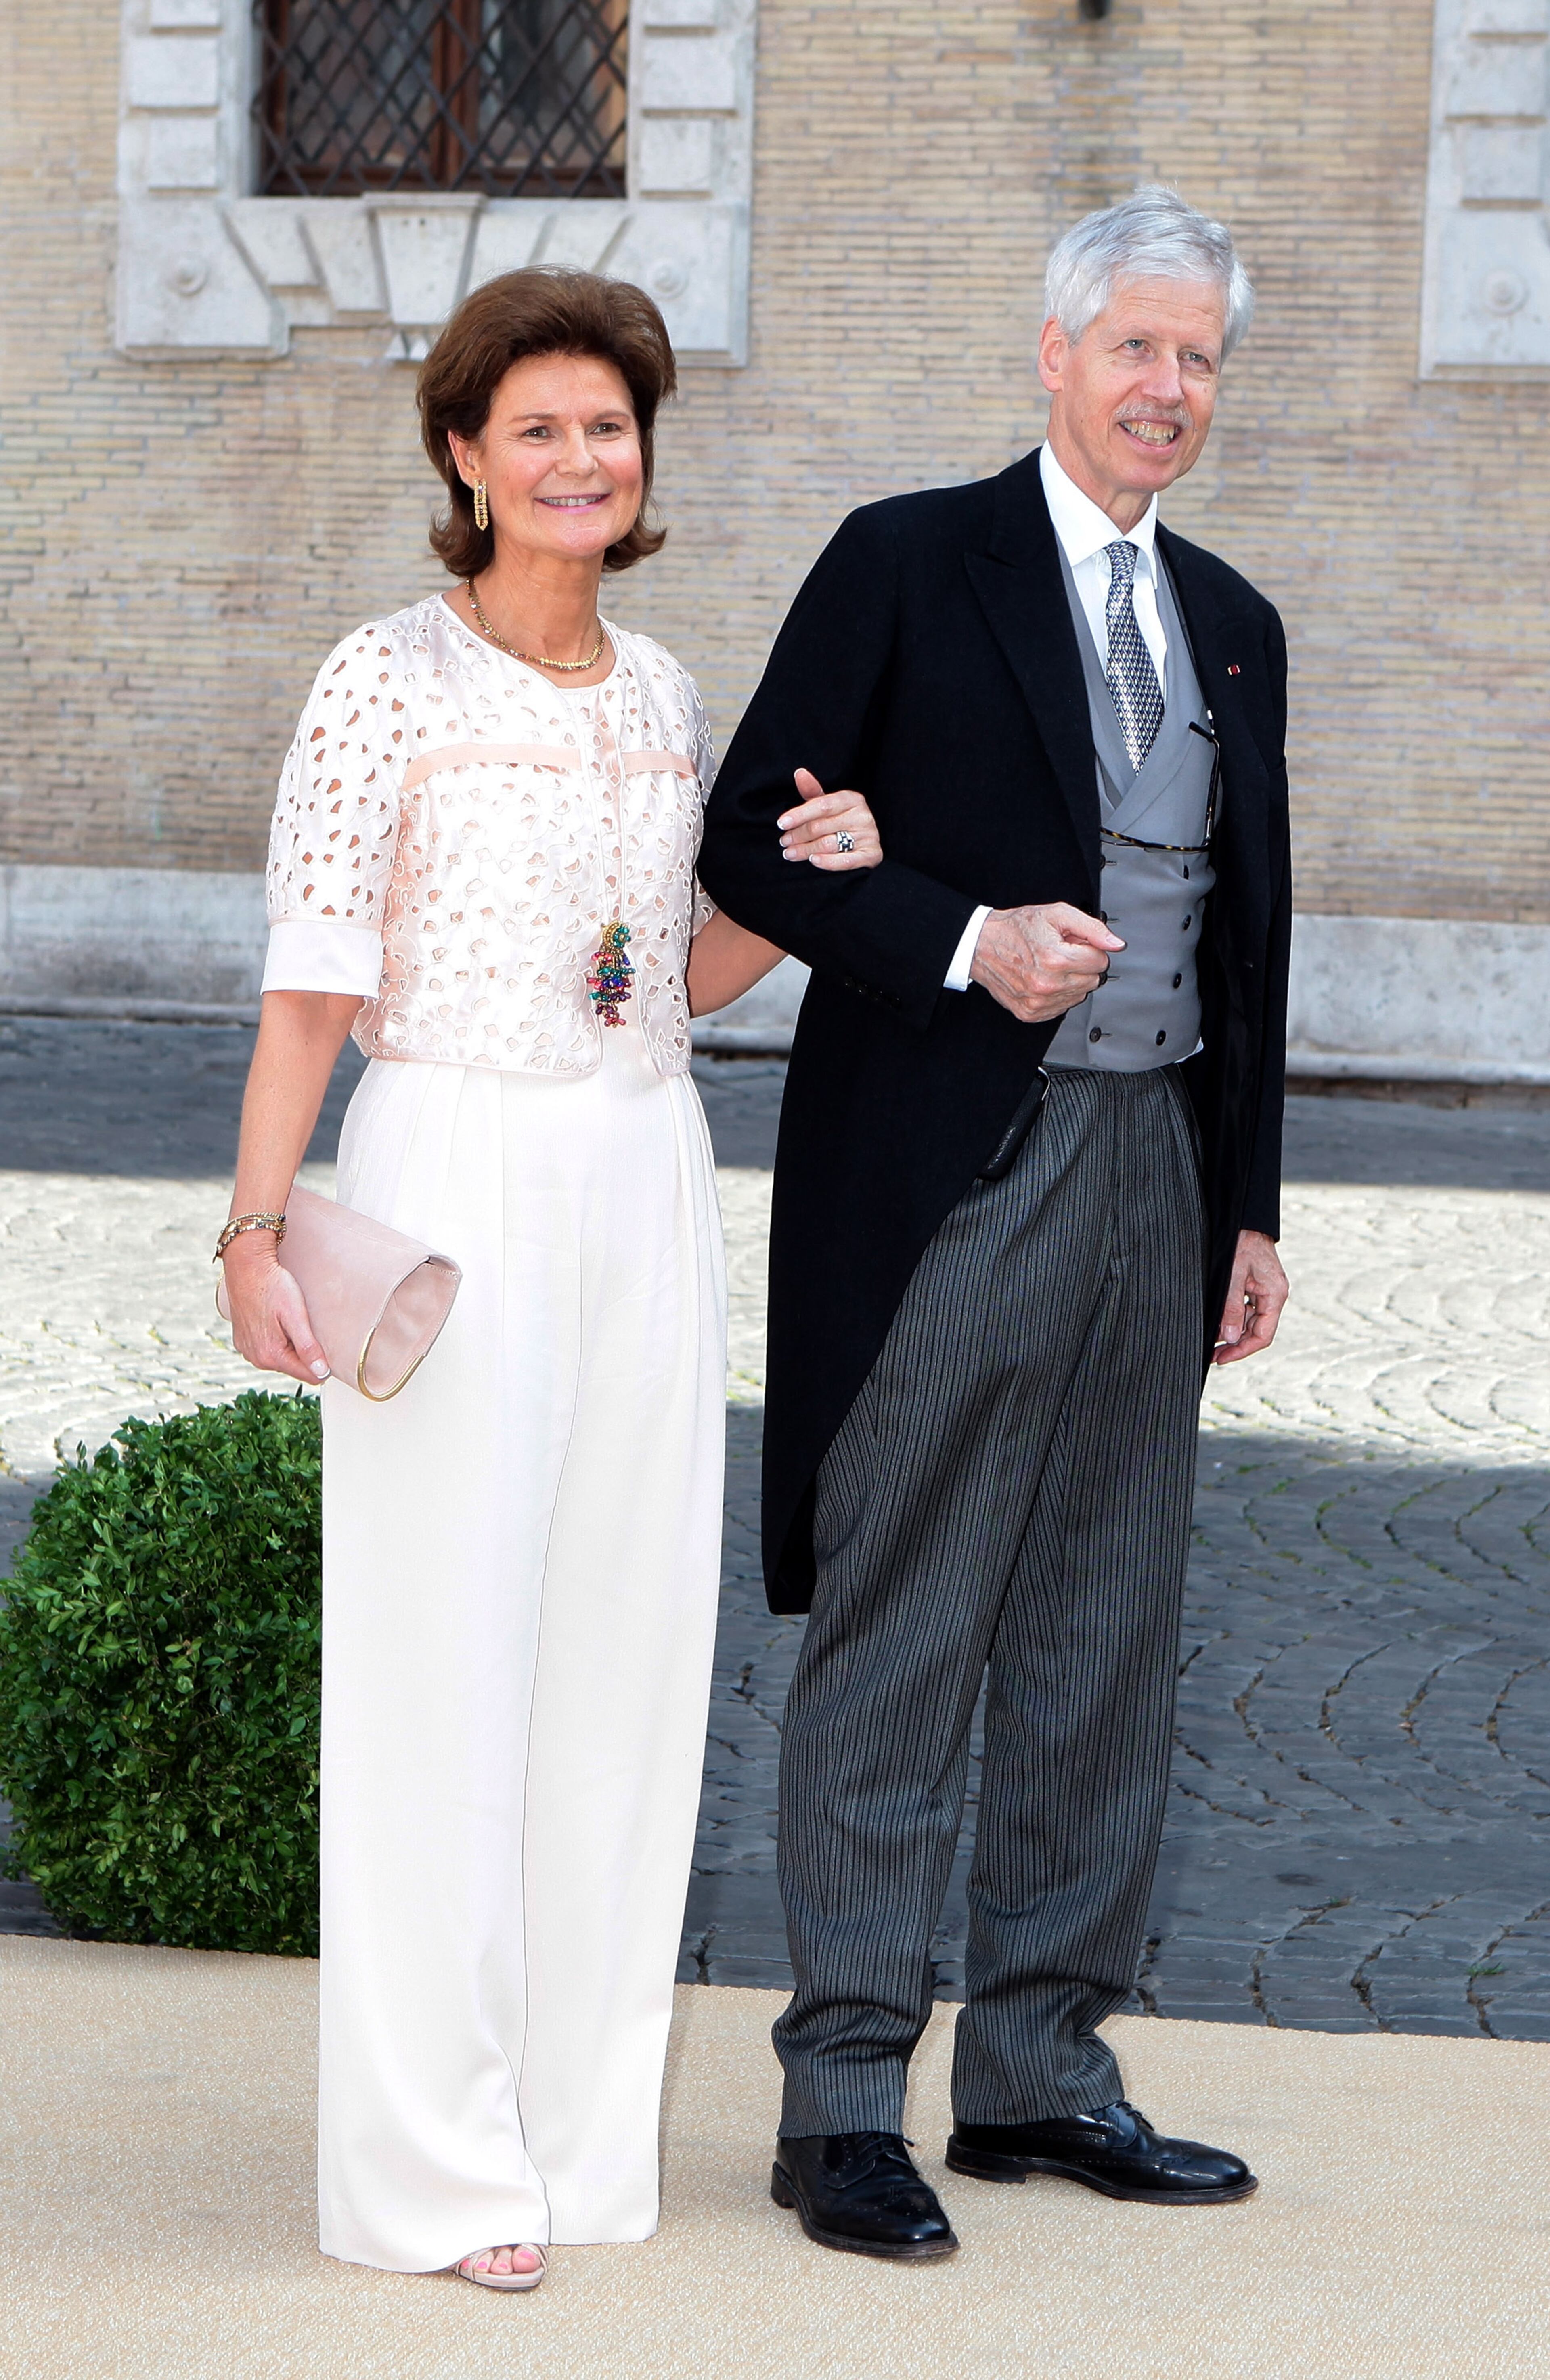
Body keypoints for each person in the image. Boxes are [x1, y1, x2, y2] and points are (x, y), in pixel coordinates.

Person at [218, 267, 883, 2291]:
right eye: (540, 429)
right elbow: (314, 990)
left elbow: (658, 983)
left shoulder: (675, 700)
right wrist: (256, 1231)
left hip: (640, 1170)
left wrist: (804, 901)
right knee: (444, 1671)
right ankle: (435, 2168)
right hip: (448, 1174)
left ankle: (580, 2140)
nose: (582, 458)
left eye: (609, 427)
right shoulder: (383, 680)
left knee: (622, 1662)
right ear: (465, 457)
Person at [697, 186, 1292, 2260]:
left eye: (1200, 358)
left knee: (1107, 1635)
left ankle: (1041, 2078)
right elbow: (746, 838)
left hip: (1155, 1168)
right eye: (1136, 348)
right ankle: (844, 2096)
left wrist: (1248, 1206)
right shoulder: (906, 561)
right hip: (955, 1168)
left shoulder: (1231, 619)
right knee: (902, 1628)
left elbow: (1250, 946)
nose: (1169, 389)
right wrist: (955, 939)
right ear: (1053, 356)